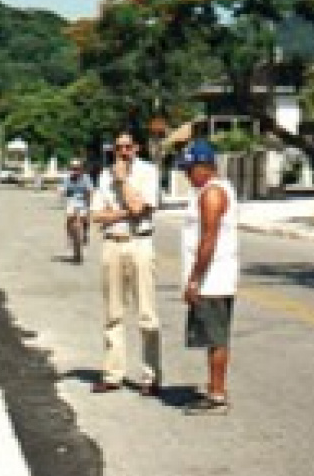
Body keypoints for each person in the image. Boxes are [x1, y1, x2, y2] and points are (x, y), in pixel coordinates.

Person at [90, 131, 162, 395]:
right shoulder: (104, 175)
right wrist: (124, 212)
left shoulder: (148, 172)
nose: (123, 152)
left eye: (128, 147)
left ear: (136, 148)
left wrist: (122, 181)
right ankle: (113, 374)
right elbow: (97, 215)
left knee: (147, 313)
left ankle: (151, 376)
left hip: (139, 242)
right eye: (118, 147)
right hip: (113, 242)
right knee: (113, 313)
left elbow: (142, 207)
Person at [179, 139, 238, 415]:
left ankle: (217, 396)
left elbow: (209, 240)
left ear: (205, 166)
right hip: (213, 278)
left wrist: (194, 280)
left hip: (213, 280)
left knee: (216, 339)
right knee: (214, 338)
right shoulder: (209, 190)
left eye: (189, 169)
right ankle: (215, 388)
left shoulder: (212, 194)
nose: (187, 175)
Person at [61, 159, 93, 263]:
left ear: (81, 169)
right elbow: (63, 191)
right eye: (73, 168)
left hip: (83, 200)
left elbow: (90, 191)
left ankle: (86, 233)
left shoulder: (86, 178)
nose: (75, 171)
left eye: (77, 168)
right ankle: (70, 237)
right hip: (72, 200)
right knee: (68, 218)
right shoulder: (67, 178)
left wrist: (89, 204)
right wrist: (63, 194)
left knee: (86, 217)